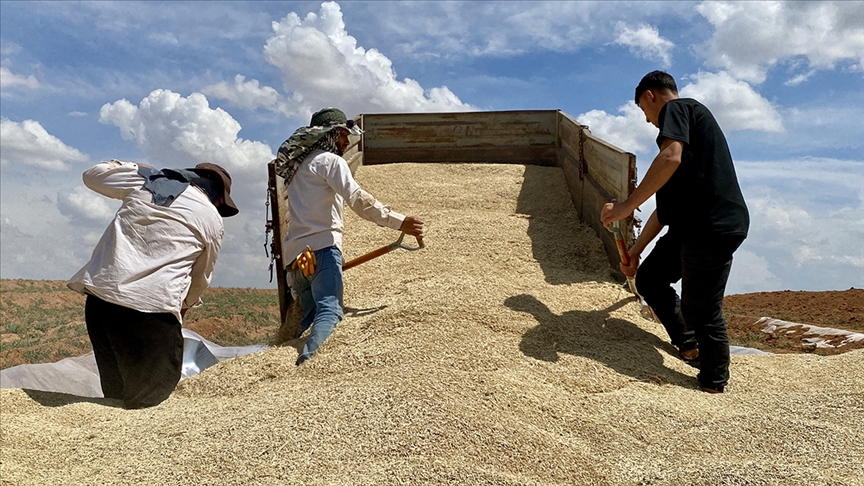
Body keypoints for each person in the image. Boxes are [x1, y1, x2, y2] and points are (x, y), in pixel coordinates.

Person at [600, 71, 749, 394]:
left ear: (651, 96)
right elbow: (662, 213)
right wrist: (635, 254)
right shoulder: (685, 156)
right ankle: (689, 345)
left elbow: (670, 156)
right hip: (689, 226)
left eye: (643, 110)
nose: (648, 121)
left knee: (701, 308)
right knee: (650, 279)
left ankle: (713, 381)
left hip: (712, 225)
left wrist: (625, 207)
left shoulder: (680, 109)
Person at [68, 159, 239, 408]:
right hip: (149, 313)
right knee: (150, 404)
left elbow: (92, 176)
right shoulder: (211, 217)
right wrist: (185, 306)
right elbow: (201, 276)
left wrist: (138, 167)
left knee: (115, 395)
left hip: (100, 304)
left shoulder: (147, 184)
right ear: (220, 198)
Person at [275, 107, 424, 365]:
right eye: (344, 135)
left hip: (296, 262)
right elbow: (358, 200)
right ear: (330, 135)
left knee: (309, 317)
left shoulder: (297, 170)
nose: (347, 141)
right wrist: (400, 222)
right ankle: (307, 364)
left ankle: (290, 357)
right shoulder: (331, 162)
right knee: (330, 312)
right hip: (322, 253)